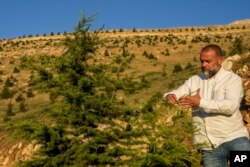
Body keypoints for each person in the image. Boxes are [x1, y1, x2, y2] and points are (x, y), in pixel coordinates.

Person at [164, 44, 250, 167]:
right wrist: (170, 96)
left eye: (208, 61)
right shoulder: (194, 80)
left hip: (235, 140)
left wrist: (200, 102)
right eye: (202, 61)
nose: (204, 65)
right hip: (208, 147)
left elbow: (231, 106)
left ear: (220, 60)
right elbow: (176, 92)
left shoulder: (233, 79)